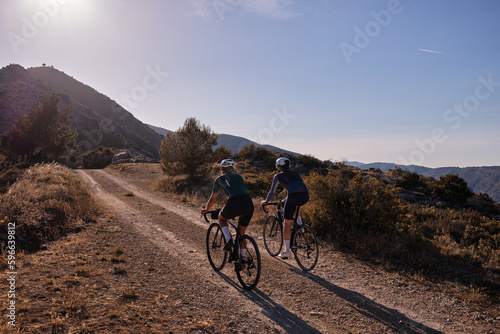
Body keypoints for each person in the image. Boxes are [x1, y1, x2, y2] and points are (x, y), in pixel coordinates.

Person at [201, 159, 254, 258]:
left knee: (222, 218)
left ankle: (229, 240)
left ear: (222, 169)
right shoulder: (239, 176)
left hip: (234, 202)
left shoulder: (219, 179)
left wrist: (206, 209)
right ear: (233, 169)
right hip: (248, 203)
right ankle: (242, 258)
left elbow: (213, 198)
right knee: (241, 234)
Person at [261, 157, 309, 259]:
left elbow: (272, 192)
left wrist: (266, 201)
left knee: (286, 223)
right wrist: (285, 200)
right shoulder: (296, 174)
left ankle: (287, 251)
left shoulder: (278, 176)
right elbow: (296, 188)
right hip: (305, 195)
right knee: (295, 205)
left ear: (279, 167)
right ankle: (300, 228)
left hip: (294, 196)